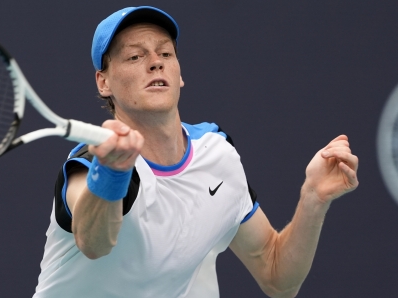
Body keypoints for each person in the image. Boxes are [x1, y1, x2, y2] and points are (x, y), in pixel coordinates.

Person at [33, 6, 359, 298]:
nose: (155, 62)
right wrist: (112, 171)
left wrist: (313, 198)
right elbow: (93, 243)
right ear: (104, 83)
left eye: (166, 54)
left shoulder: (217, 154)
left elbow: (278, 278)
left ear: (179, 74)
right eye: (135, 56)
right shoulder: (90, 164)